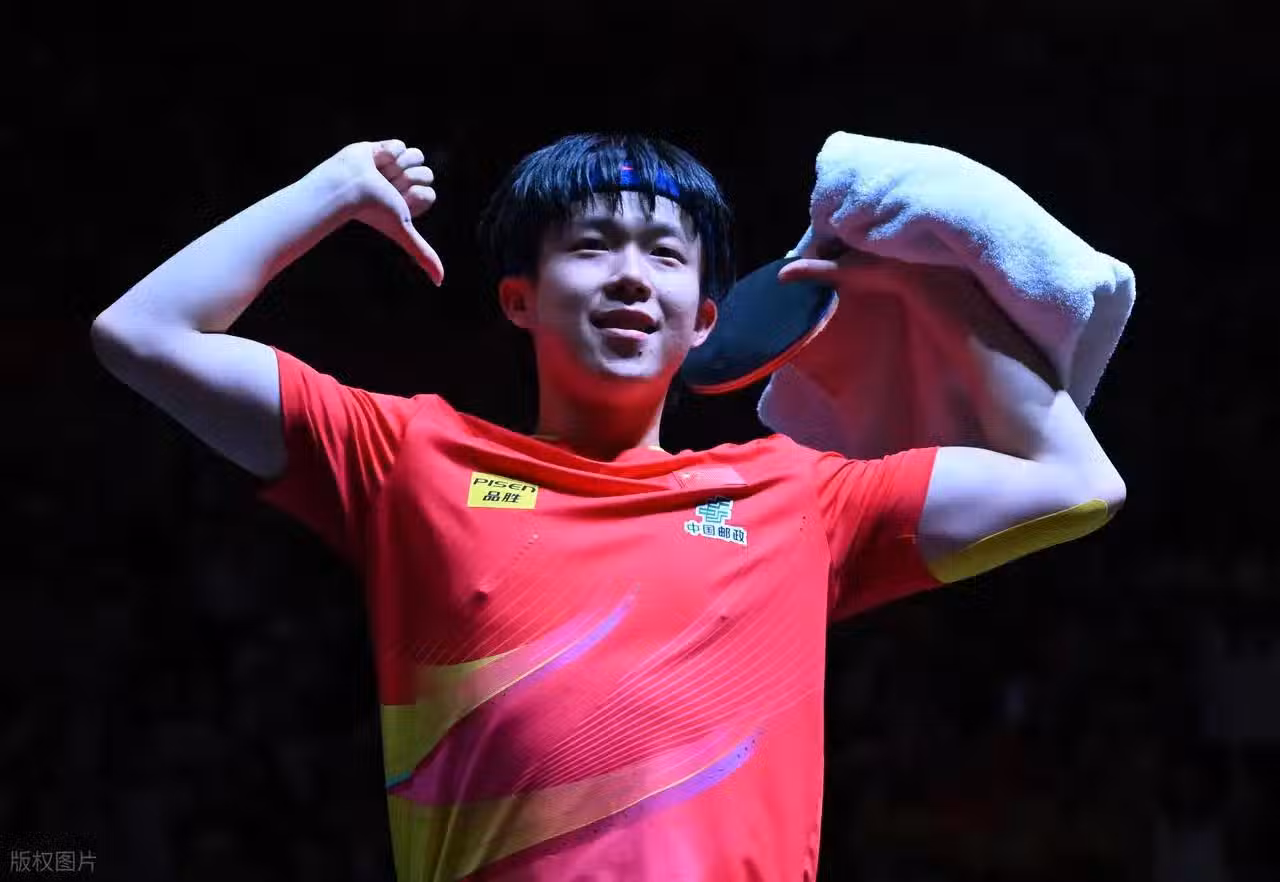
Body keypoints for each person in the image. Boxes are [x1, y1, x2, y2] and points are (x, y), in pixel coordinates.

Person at [90, 133, 1126, 881]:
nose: (631, 275)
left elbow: (1076, 485)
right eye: (591, 245)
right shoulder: (409, 462)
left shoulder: (797, 498)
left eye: (665, 254)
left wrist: (929, 286)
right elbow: (143, 334)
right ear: (520, 300)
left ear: (703, 320)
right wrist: (328, 191)